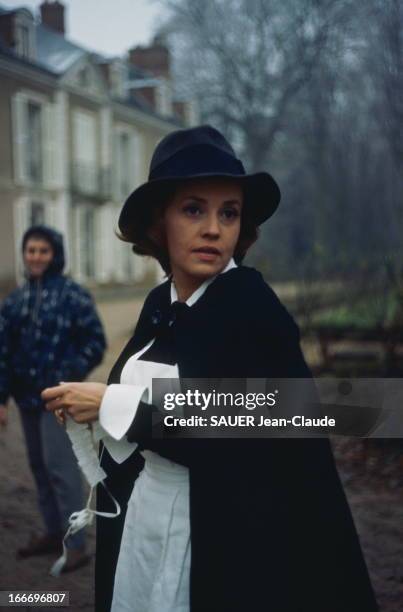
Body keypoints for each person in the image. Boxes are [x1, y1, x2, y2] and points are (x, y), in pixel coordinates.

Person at [42, 126, 378, 611]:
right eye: (194, 209)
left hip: (220, 537)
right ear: (160, 223)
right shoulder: (161, 302)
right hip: (144, 522)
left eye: (230, 212)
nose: (214, 228)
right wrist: (95, 407)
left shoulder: (252, 307)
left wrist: (111, 403)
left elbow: (245, 424)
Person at [0, 225, 106, 571]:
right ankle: (52, 531)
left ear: (55, 254)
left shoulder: (73, 296)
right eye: (31, 250)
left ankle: (76, 545)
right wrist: (2, 397)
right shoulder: (15, 300)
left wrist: (65, 378)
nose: (36, 257)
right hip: (25, 400)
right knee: (39, 469)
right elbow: (2, 350)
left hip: (58, 401)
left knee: (61, 470)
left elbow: (95, 342)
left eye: (43, 250)